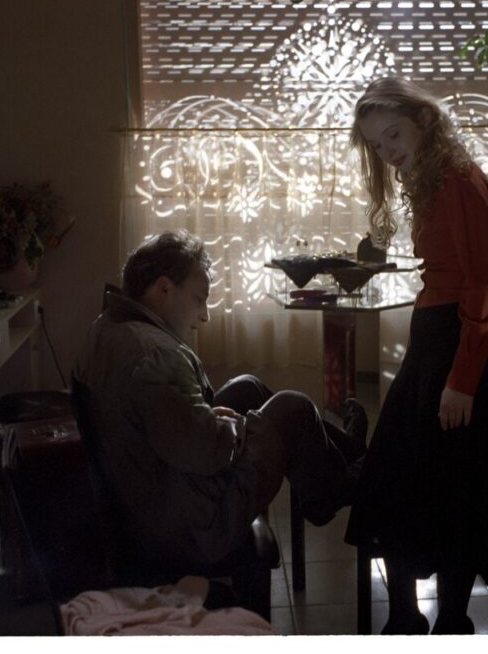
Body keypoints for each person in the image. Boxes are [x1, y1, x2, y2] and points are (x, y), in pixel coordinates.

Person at [72, 230, 368, 571]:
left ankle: (346, 457)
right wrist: (228, 424)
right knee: (292, 407)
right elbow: (207, 453)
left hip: (152, 491)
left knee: (248, 388)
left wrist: (217, 420)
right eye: (199, 299)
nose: (205, 315)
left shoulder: (107, 328)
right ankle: (335, 484)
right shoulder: (156, 356)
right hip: (191, 524)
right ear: (164, 288)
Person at [344, 77, 488, 635]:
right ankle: (406, 618)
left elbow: (486, 286)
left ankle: (445, 624)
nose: (388, 149)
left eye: (393, 133)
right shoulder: (431, 176)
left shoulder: (453, 179)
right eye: (376, 143)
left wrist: (462, 379)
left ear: (423, 120)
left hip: (461, 346)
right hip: (438, 340)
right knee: (406, 481)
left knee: (452, 491)